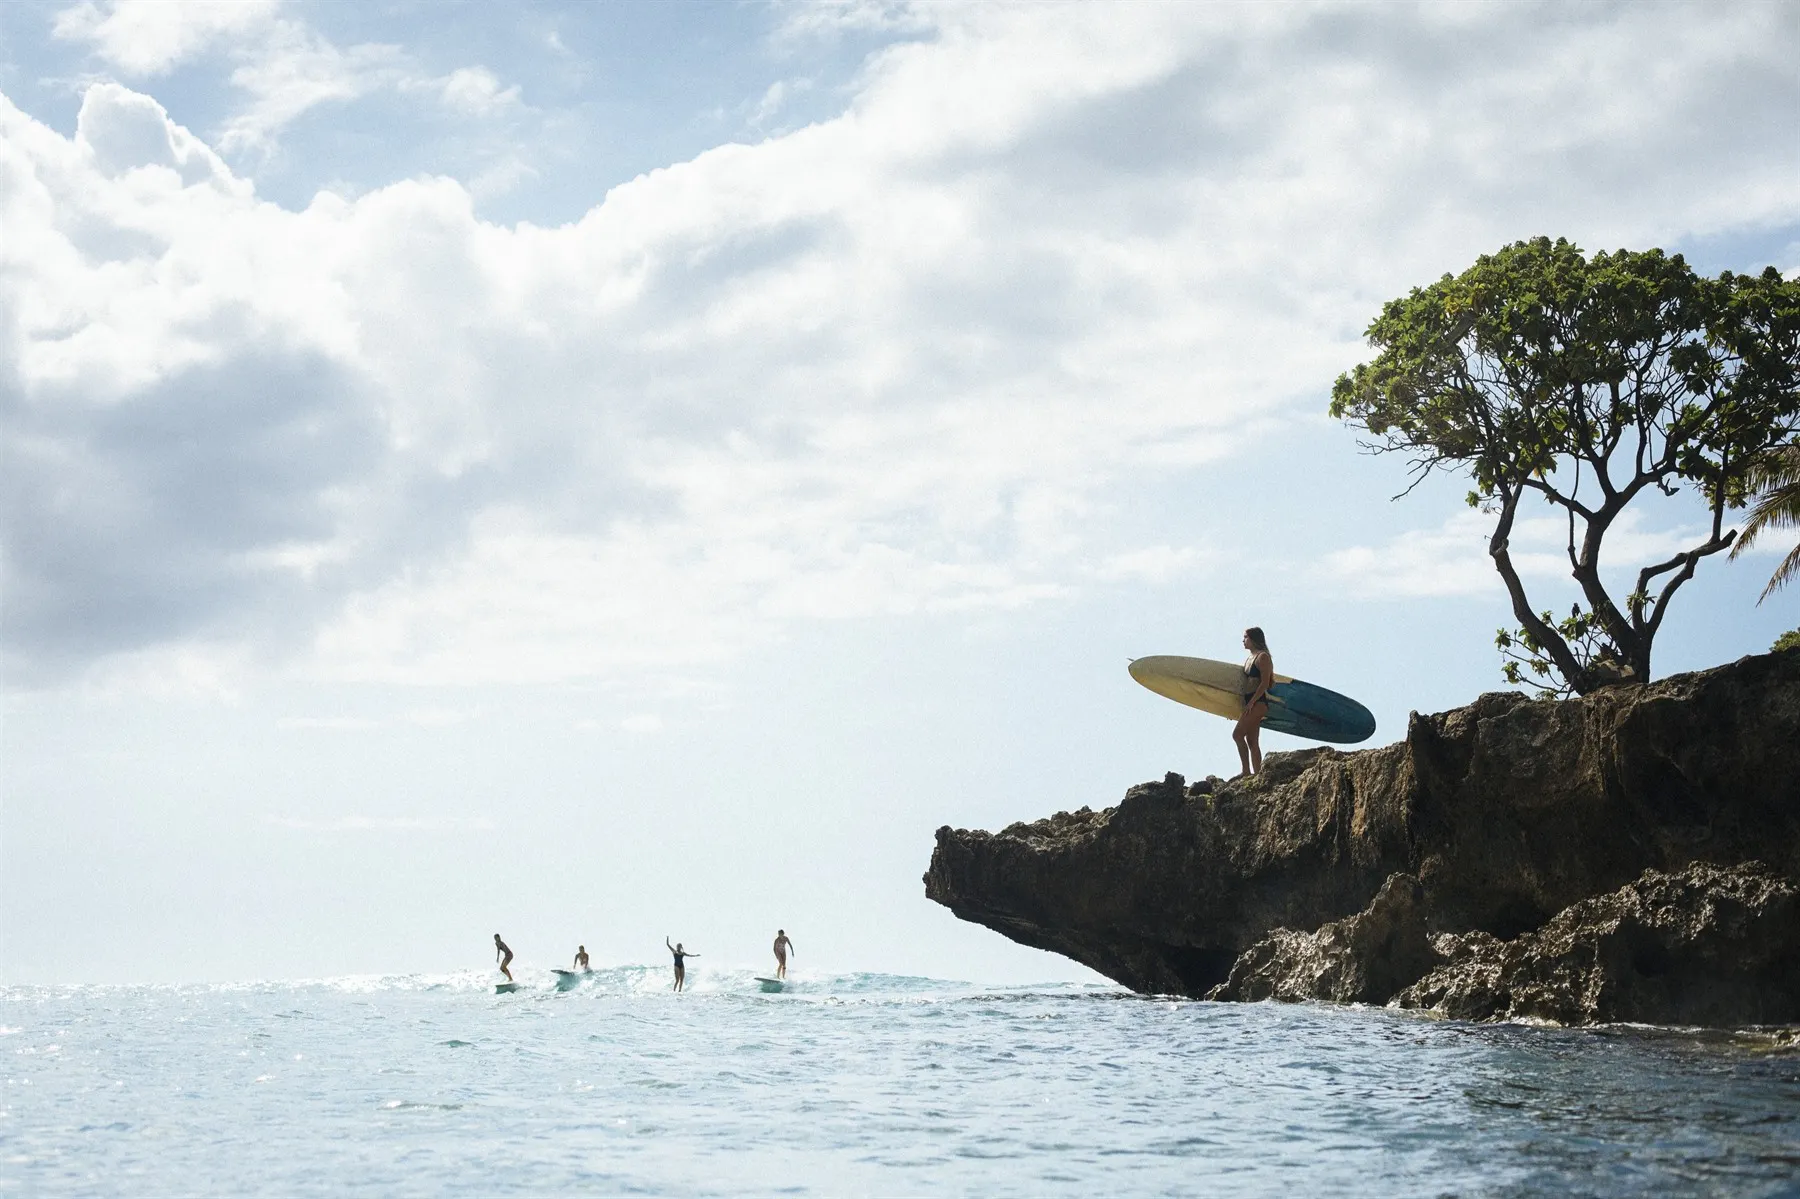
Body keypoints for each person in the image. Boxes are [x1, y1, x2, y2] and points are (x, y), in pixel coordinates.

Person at [1233, 626, 1273, 778]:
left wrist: (1252, 702)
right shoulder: (1249, 658)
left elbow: (1265, 683)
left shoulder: (1263, 657)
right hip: (1249, 702)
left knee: (1237, 735)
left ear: (1254, 639)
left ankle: (1246, 771)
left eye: (1246, 637)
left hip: (1258, 703)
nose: (1243, 640)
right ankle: (1258, 775)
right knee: (1252, 741)